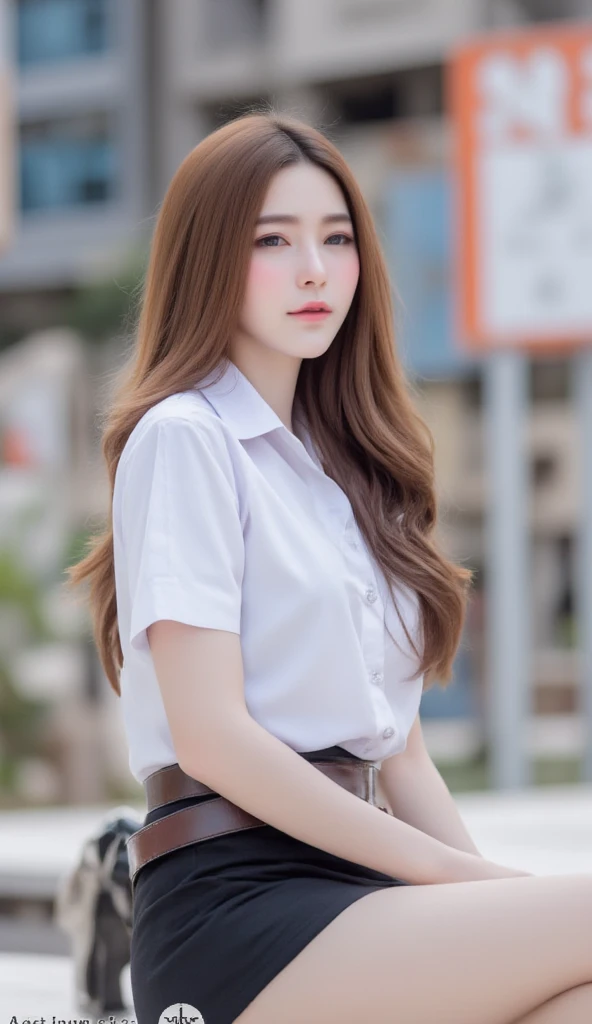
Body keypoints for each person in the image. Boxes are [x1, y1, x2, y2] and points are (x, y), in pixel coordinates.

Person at [66, 108, 592, 1024]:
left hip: (368, 890)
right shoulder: (187, 437)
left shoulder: (361, 471)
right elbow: (211, 736)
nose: (315, 268)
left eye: (337, 237)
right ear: (209, 258)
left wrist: (485, 899)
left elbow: (406, 759)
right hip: (237, 907)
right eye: (274, 239)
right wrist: (468, 882)